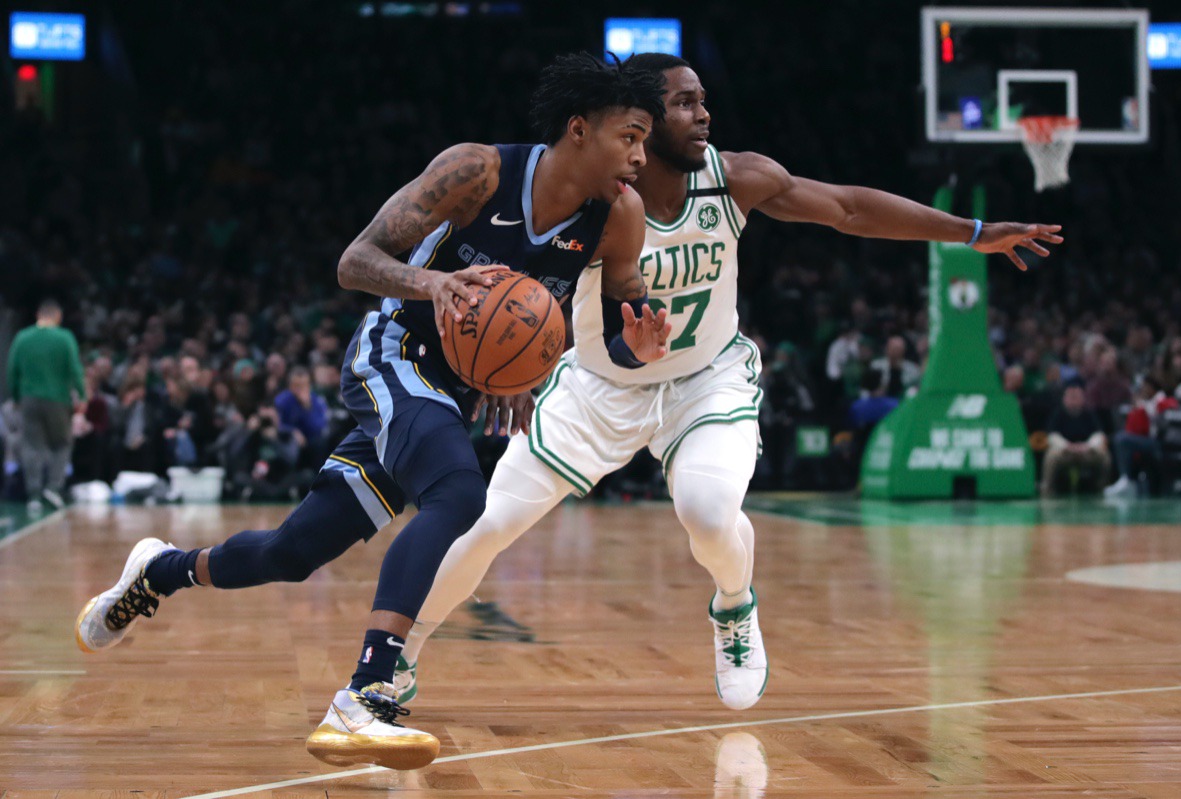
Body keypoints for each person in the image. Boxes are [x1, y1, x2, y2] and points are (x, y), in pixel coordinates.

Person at [394, 53, 1063, 712]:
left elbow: (847, 209)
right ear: (640, 123)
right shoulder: (598, 204)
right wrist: (512, 369)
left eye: (702, 98)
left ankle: (734, 607)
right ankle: (397, 656)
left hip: (705, 381)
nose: (703, 113)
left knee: (709, 515)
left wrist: (968, 232)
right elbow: (521, 288)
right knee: (487, 523)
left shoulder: (735, 178)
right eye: (683, 102)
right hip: (598, 385)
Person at [75, 53, 670, 771]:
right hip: (392, 354)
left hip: (449, 396)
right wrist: (434, 283)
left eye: (644, 141)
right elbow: (354, 261)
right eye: (630, 136)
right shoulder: (477, 172)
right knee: (459, 494)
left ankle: (160, 570)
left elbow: (616, 328)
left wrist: (634, 348)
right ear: (579, 129)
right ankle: (365, 696)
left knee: (293, 553)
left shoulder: (618, 219)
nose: (641, 156)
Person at [6, 299, 86, 512]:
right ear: (57, 316)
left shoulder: (23, 337)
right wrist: (83, 395)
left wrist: (16, 397)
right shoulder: (64, 337)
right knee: (62, 443)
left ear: (38, 315)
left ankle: (33, 495)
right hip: (58, 399)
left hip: (28, 399)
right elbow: (75, 369)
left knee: (31, 446)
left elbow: (12, 369)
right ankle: (53, 487)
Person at [1042, 379, 1110, 495]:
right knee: (1051, 456)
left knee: (1104, 456)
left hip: (1086, 452)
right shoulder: (1058, 413)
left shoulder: (1089, 413)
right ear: (1064, 398)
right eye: (1071, 397)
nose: (1073, 400)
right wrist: (1067, 446)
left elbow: (1099, 434)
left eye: (1076, 397)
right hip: (1065, 452)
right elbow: (1051, 435)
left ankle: (1102, 488)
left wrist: (1087, 446)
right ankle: (1047, 489)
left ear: (1083, 398)